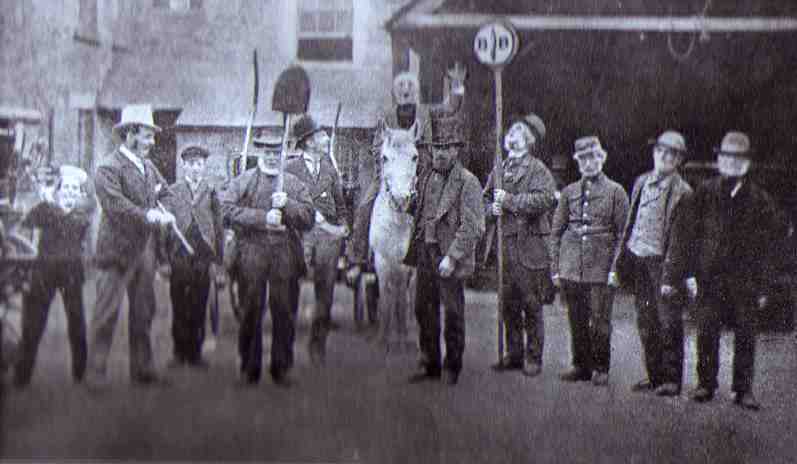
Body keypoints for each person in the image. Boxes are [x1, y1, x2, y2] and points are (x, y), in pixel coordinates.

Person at [661, 131, 786, 410]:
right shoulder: (704, 192)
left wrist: (764, 286)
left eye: (738, 158)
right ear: (719, 159)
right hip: (710, 277)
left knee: (746, 333)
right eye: (727, 157)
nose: (731, 162)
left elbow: (771, 245)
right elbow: (685, 235)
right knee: (707, 330)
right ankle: (706, 384)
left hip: (745, 280)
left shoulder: (759, 199)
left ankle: (743, 390)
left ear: (747, 163)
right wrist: (684, 273)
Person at [86, 104, 176, 389]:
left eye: (152, 136)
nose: (152, 142)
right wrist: (149, 214)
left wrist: (164, 199)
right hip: (115, 253)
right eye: (147, 136)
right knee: (106, 314)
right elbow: (115, 205)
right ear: (130, 135)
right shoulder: (107, 167)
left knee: (143, 311)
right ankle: (95, 372)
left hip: (143, 253)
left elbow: (165, 191)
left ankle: (142, 368)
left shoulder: (148, 167)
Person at [220, 130, 314, 387]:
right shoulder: (245, 181)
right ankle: (249, 367)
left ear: (283, 154)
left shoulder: (293, 184)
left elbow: (309, 217)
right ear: (259, 151)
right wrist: (262, 218)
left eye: (277, 152)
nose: (272, 157)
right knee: (251, 309)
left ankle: (281, 367)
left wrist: (289, 205)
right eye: (268, 152)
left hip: (285, 255)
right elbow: (226, 211)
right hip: (252, 253)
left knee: (284, 310)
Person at [404, 112, 485, 386]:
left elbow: (473, 226)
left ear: (456, 150)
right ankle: (430, 362)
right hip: (425, 253)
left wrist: (452, 257)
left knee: (452, 312)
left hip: (448, 255)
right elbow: (423, 213)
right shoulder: (427, 177)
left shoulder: (468, 181)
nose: (440, 153)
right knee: (422, 308)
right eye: (436, 147)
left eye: (446, 148)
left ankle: (452, 365)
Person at [610, 130, 693, 396]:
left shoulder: (683, 192)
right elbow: (630, 225)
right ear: (653, 152)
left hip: (664, 265)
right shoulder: (641, 182)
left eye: (672, 154)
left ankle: (671, 379)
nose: (665, 157)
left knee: (668, 320)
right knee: (646, 320)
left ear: (679, 160)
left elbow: (681, 241)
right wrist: (618, 262)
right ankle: (655, 375)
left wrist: (672, 276)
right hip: (639, 260)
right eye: (660, 151)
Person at [483, 113, 557, 377]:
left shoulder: (538, 169)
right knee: (508, 304)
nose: (510, 136)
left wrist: (511, 201)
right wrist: (491, 209)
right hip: (504, 247)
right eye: (510, 132)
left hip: (530, 247)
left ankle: (533, 357)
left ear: (528, 140)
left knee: (531, 303)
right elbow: (485, 202)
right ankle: (514, 354)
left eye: (516, 132)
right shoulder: (499, 169)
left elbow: (546, 199)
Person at [551, 136, 629, 386]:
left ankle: (601, 367)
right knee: (576, 317)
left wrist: (615, 268)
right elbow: (556, 231)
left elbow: (622, 234)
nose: (589, 163)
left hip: (601, 266)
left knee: (600, 319)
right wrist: (556, 268)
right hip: (572, 265)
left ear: (602, 158)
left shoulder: (616, 191)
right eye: (583, 159)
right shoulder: (569, 192)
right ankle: (581, 365)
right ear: (578, 162)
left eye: (593, 157)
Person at [13, 165, 95, 387]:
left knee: (77, 323)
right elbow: (25, 223)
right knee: (33, 323)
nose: (69, 192)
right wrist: (43, 202)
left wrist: (48, 202)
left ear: (79, 194)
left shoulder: (81, 218)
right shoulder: (45, 209)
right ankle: (22, 375)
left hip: (71, 274)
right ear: (58, 190)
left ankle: (80, 374)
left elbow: (68, 219)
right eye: (65, 187)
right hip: (43, 273)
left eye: (74, 189)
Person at [286, 114, 350, 365]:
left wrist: (343, 225)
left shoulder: (330, 169)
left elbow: (341, 205)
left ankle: (317, 346)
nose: (325, 139)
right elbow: (284, 203)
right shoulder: (290, 170)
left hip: (327, 236)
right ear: (309, 141)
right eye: (321, 135)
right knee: (290, 285)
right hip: (299, 234)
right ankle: (286, 339)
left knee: (326, 291)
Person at [161, 145, 225, 369]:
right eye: (191, 164)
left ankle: (195, 354)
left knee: (199, 304)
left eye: (199, 164)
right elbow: (165, 228)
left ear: (204, 166)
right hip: (180, 254)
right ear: (184, 166)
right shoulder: (173, 190)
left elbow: (218, 227)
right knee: (179, 304)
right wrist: (164, 260)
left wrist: (219, 263)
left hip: (203, 255)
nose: (196, 168)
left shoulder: (211, 191)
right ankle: (179, 353)